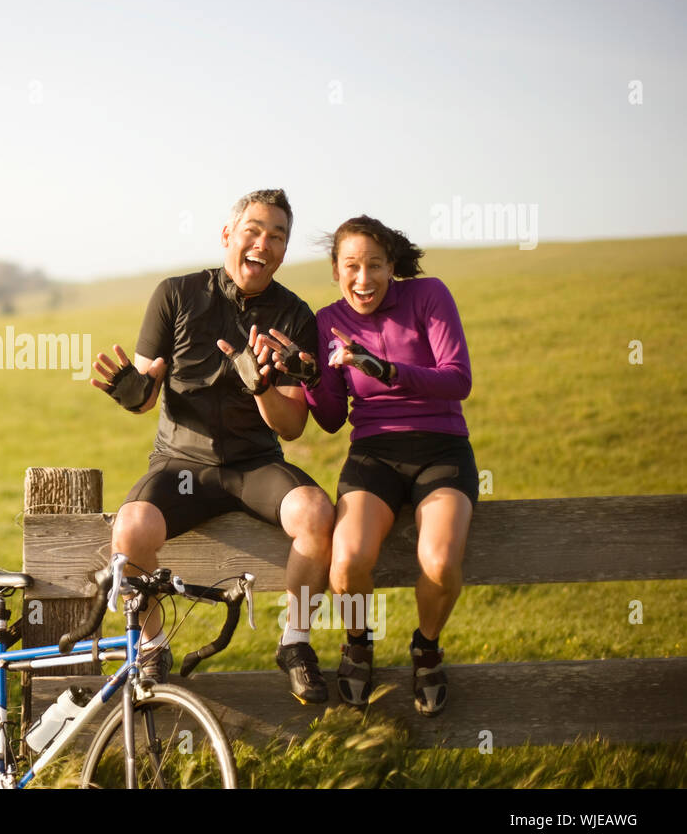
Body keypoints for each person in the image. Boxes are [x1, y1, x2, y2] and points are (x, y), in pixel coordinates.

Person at [90, 189, 335, 703]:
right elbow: (145, 388)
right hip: (183, 463)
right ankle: (154, 646)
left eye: (277, 236)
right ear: (228, 235)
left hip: (255, 465)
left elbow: (291, 428)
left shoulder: (294, 316)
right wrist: (134, 394)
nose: (263, 244)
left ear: (284, 251)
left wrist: (262, 386)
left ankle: (295, 643)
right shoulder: (175, 295)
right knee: (130, 530)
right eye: (253, 230)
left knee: (315, 513)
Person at [280, 214, 475, 716]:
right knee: (346, 562)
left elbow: (457, 380)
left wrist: (383, 370)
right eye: (351, 266)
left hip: (442, 449)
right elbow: (327, 418)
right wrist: (309, 376)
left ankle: (426, 649)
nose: (362, 279)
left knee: (439, 562)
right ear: (335, 270)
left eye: (374, 266)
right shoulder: (327, 322)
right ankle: (358, 642)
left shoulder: (428, 295)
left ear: (392, 267)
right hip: (374, 455)